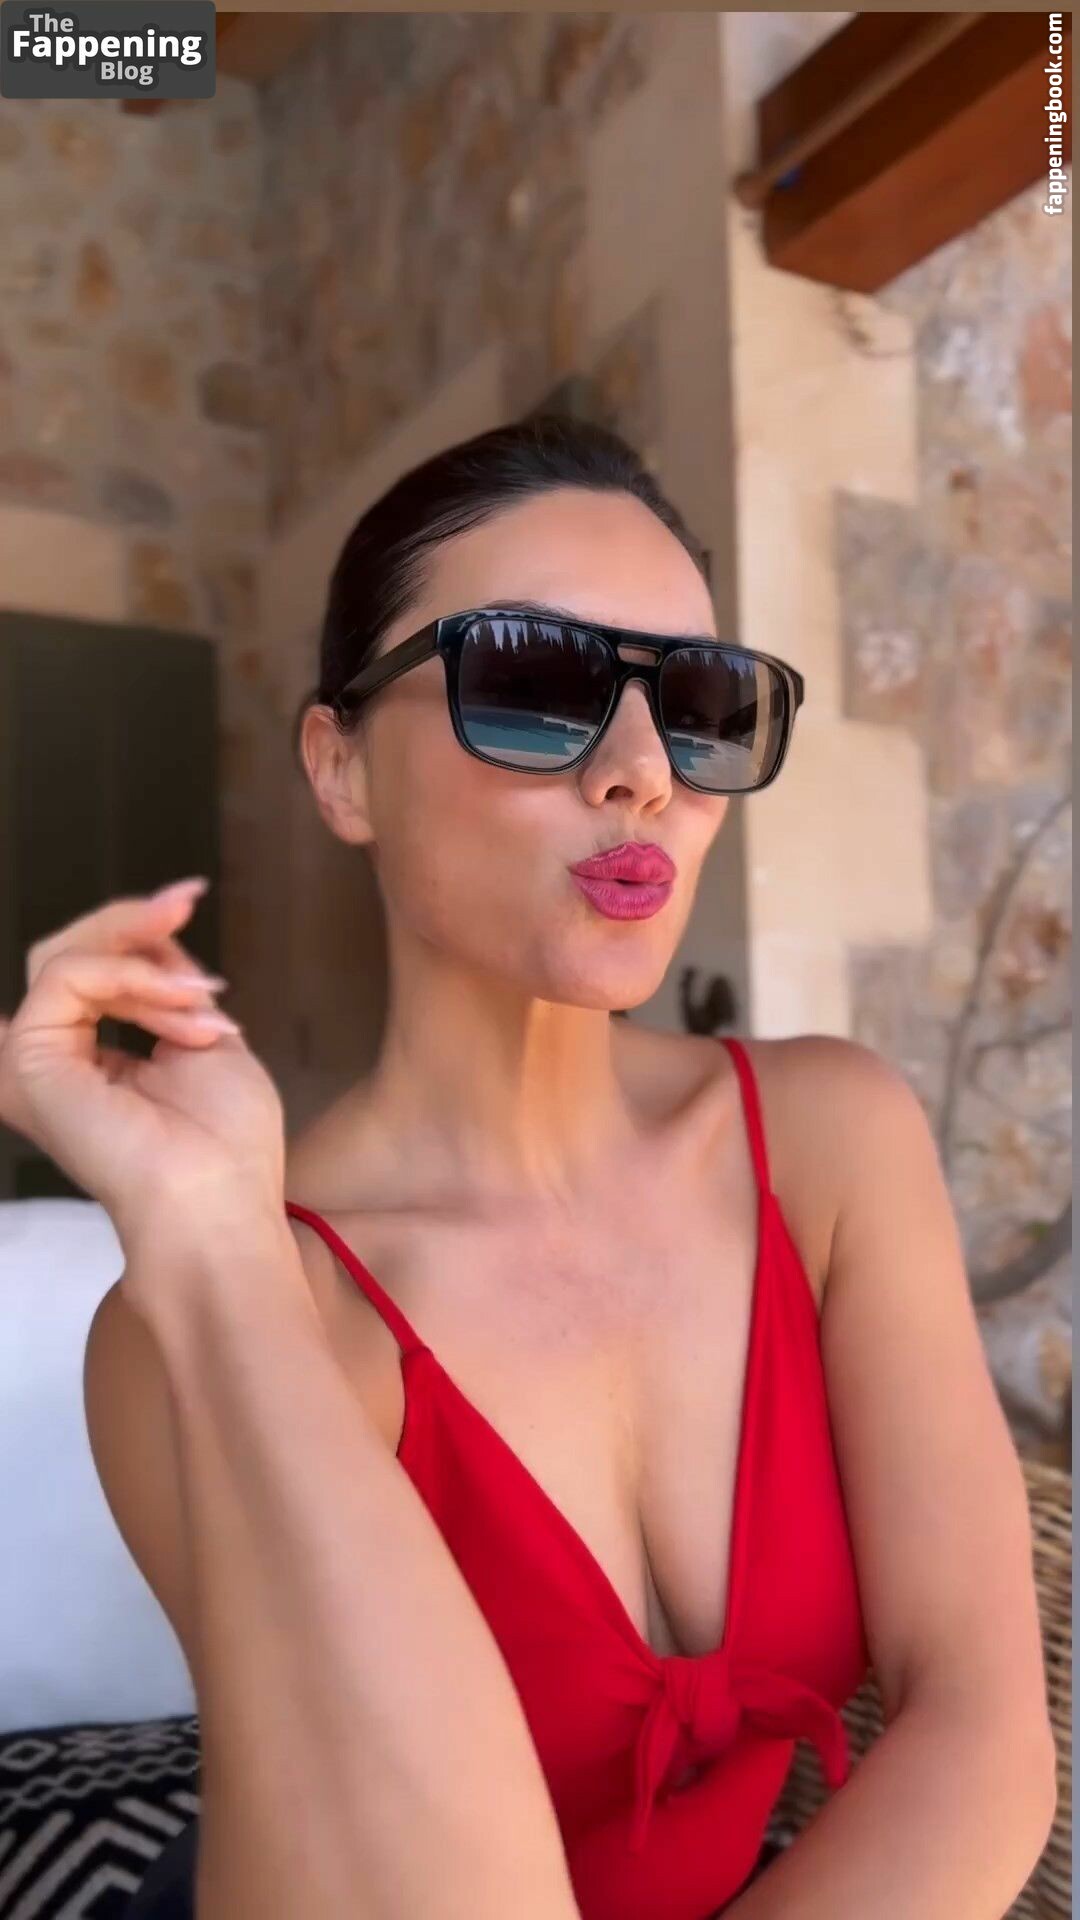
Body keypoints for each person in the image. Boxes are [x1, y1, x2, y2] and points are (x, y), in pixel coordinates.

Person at [0, 418, 1055, 1920]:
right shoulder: (222, 1314)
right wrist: (214, 1254)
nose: (643, 772)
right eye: (536, 684)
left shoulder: (833, 1144)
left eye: (696, 703)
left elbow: (984, 1733)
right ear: (342, 768)